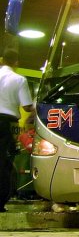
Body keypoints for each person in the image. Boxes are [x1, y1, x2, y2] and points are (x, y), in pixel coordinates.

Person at [0, 49, 34, 212]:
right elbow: (27, 106)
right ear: (16, 63)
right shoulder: (19, 79)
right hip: (8, 123)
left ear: (2, 61)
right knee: (5, 161)